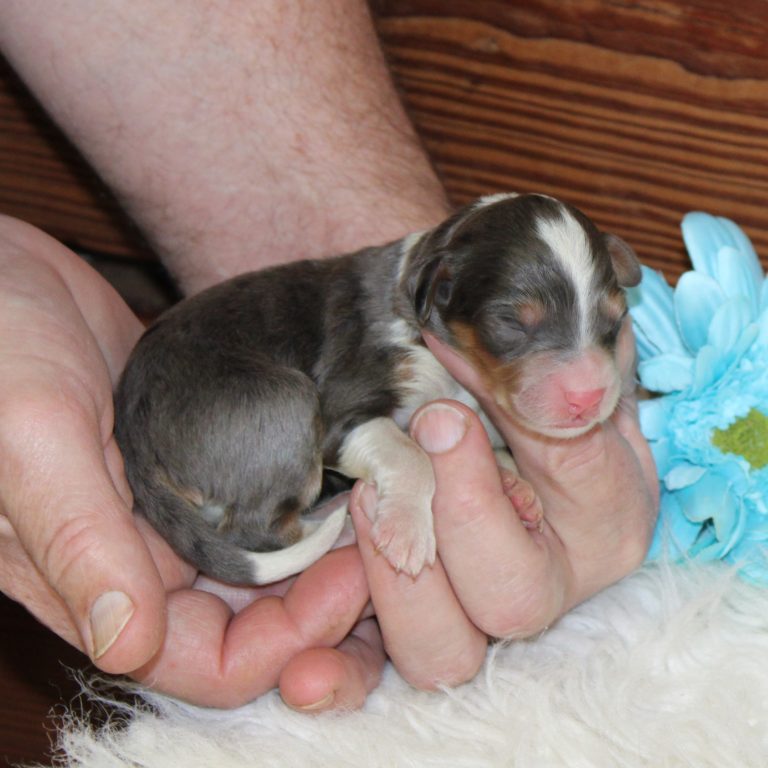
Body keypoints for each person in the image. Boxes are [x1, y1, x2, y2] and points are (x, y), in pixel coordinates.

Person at [0, 0, 658, 711]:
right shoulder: (393, 327)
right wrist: (400, 485)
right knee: (298, 420)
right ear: (437, 294)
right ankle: (274, 522)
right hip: (213, 400)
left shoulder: (406, 303)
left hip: (207, 410)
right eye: (515, 327)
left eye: (604, 330)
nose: (589, 379)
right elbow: (353, 424)